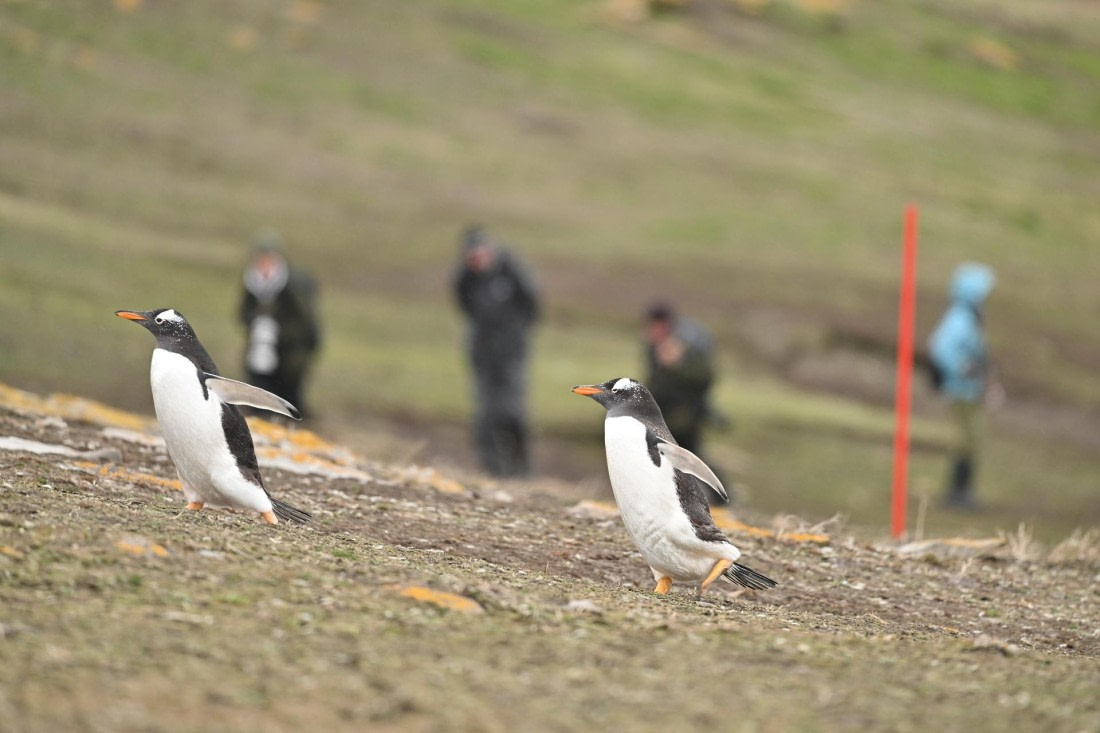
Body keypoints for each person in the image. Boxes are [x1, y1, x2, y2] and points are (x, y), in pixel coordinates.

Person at [453, 225, 540, 477]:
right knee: (486, 412)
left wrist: (516, 333)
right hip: (482, 352)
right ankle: (492, 468)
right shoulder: (464, 278)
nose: (477, 262)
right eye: (472, 258)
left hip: (512, 351)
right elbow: (464, 305)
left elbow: (531, 304)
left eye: (481, 255)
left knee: (512, 411)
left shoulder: (511, 270)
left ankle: (520, 467)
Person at [927, 263, 996, 509]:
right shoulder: (960, 318)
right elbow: (941, 348)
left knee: (970, 439)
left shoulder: (967, 317)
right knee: (966, 439)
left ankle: (962, 492)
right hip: (961, 390)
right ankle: (958, 494)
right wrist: (962, 368)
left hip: (969, 390)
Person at [238, 233, 321, 418]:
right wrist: (258, 324)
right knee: (259, 385)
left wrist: (278, 331)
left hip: (291, 351)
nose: (264, 262)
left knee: (289, 390)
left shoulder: (293, 284)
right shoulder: (252, 281)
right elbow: (244, 312)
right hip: (261, 347)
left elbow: (304, 320)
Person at [643, 301, 718, 460]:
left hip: (685, 415)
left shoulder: (688, 344)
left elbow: (703, 379)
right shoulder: (653, 346)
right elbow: (654, 381)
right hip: (663, 413)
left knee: (689, 456)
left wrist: (678, 364)